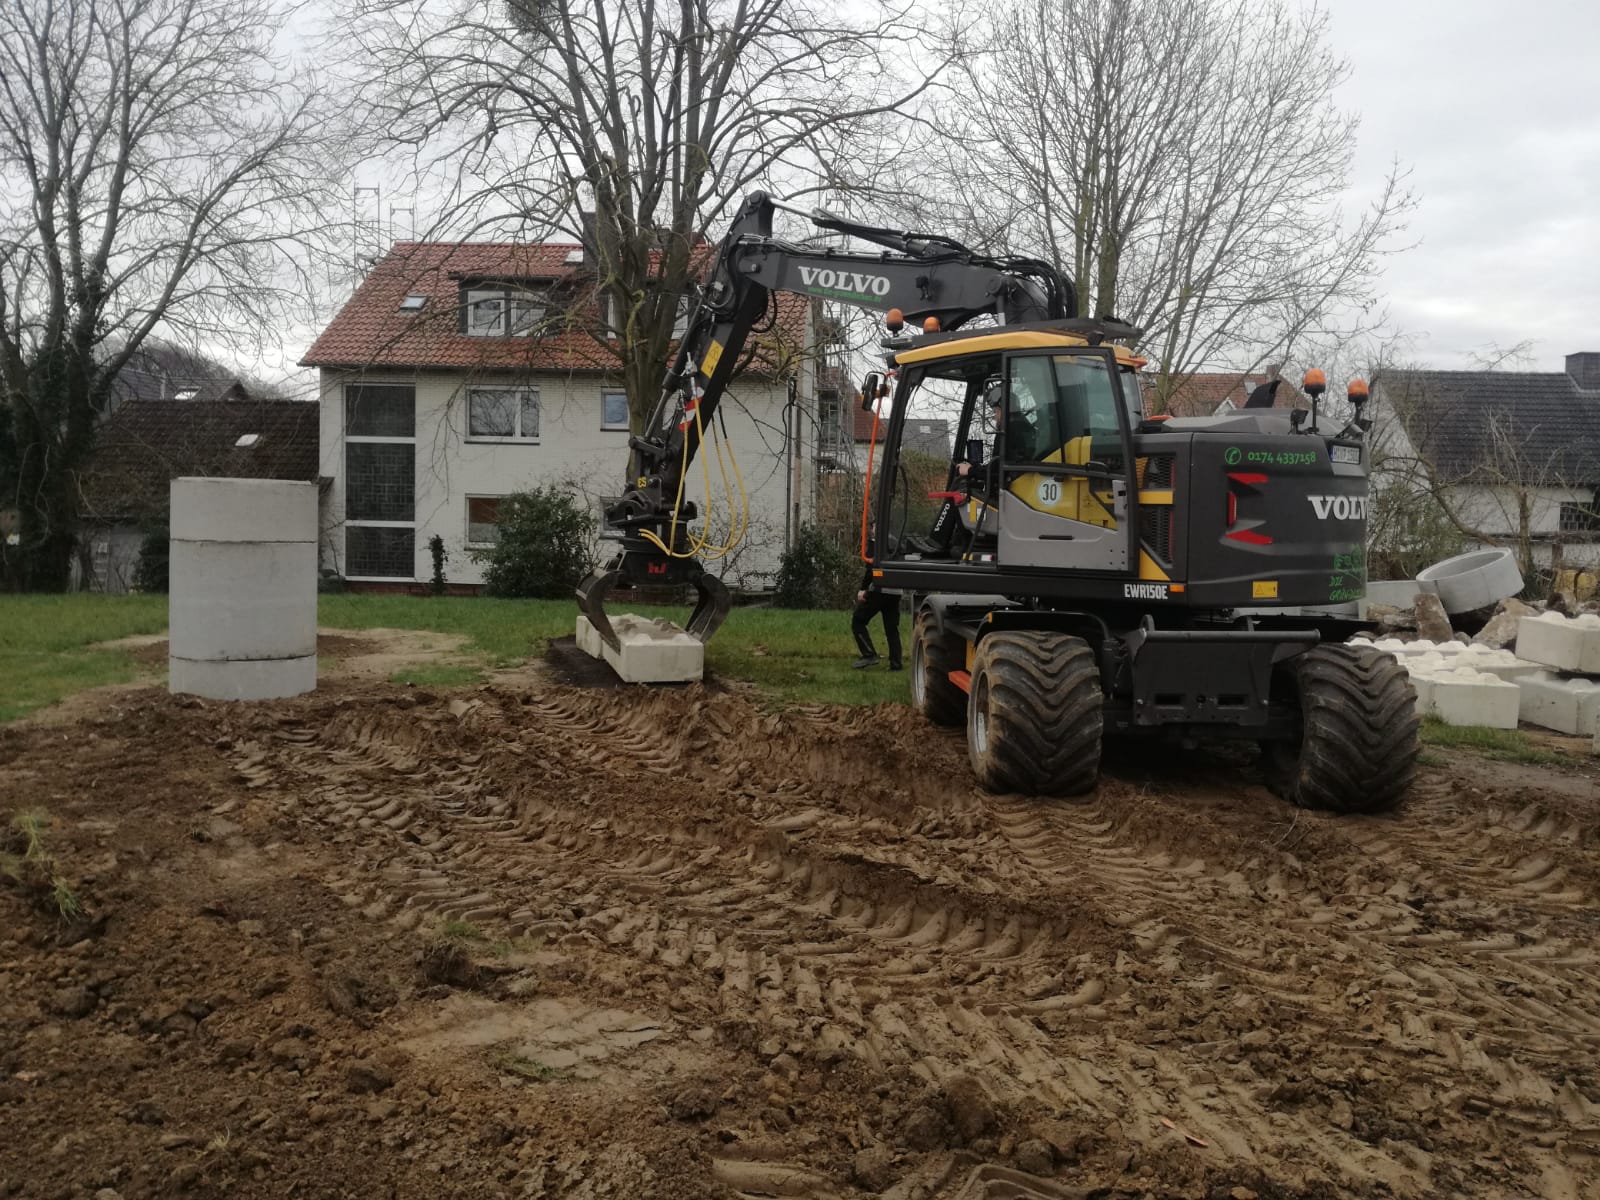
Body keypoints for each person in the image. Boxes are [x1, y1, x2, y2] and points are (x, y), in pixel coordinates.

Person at [851, 531, 901, 670]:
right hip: (896, 591)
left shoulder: (876, 542)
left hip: (878, 590)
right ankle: (896, 663)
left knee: (858, 621)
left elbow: (871, 568)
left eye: (873, 526)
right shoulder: (897, 543)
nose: (872, 530)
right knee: (892, 628)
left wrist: (863, 588)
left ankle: (868, 654)